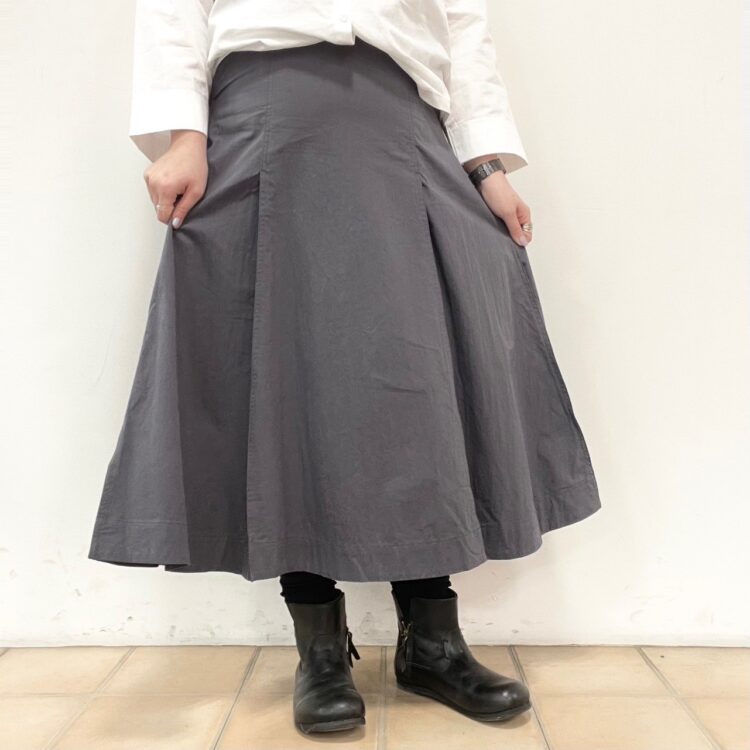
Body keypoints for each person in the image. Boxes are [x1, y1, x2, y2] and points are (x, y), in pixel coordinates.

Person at [88, 0, 602, 735]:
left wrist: (485, 163)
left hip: (405, 124)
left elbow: (459, 22)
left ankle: (432, 642)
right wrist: (185, 134)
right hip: (263, 119)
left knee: (416, 380)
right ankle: (321, 652)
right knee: (282, 376)